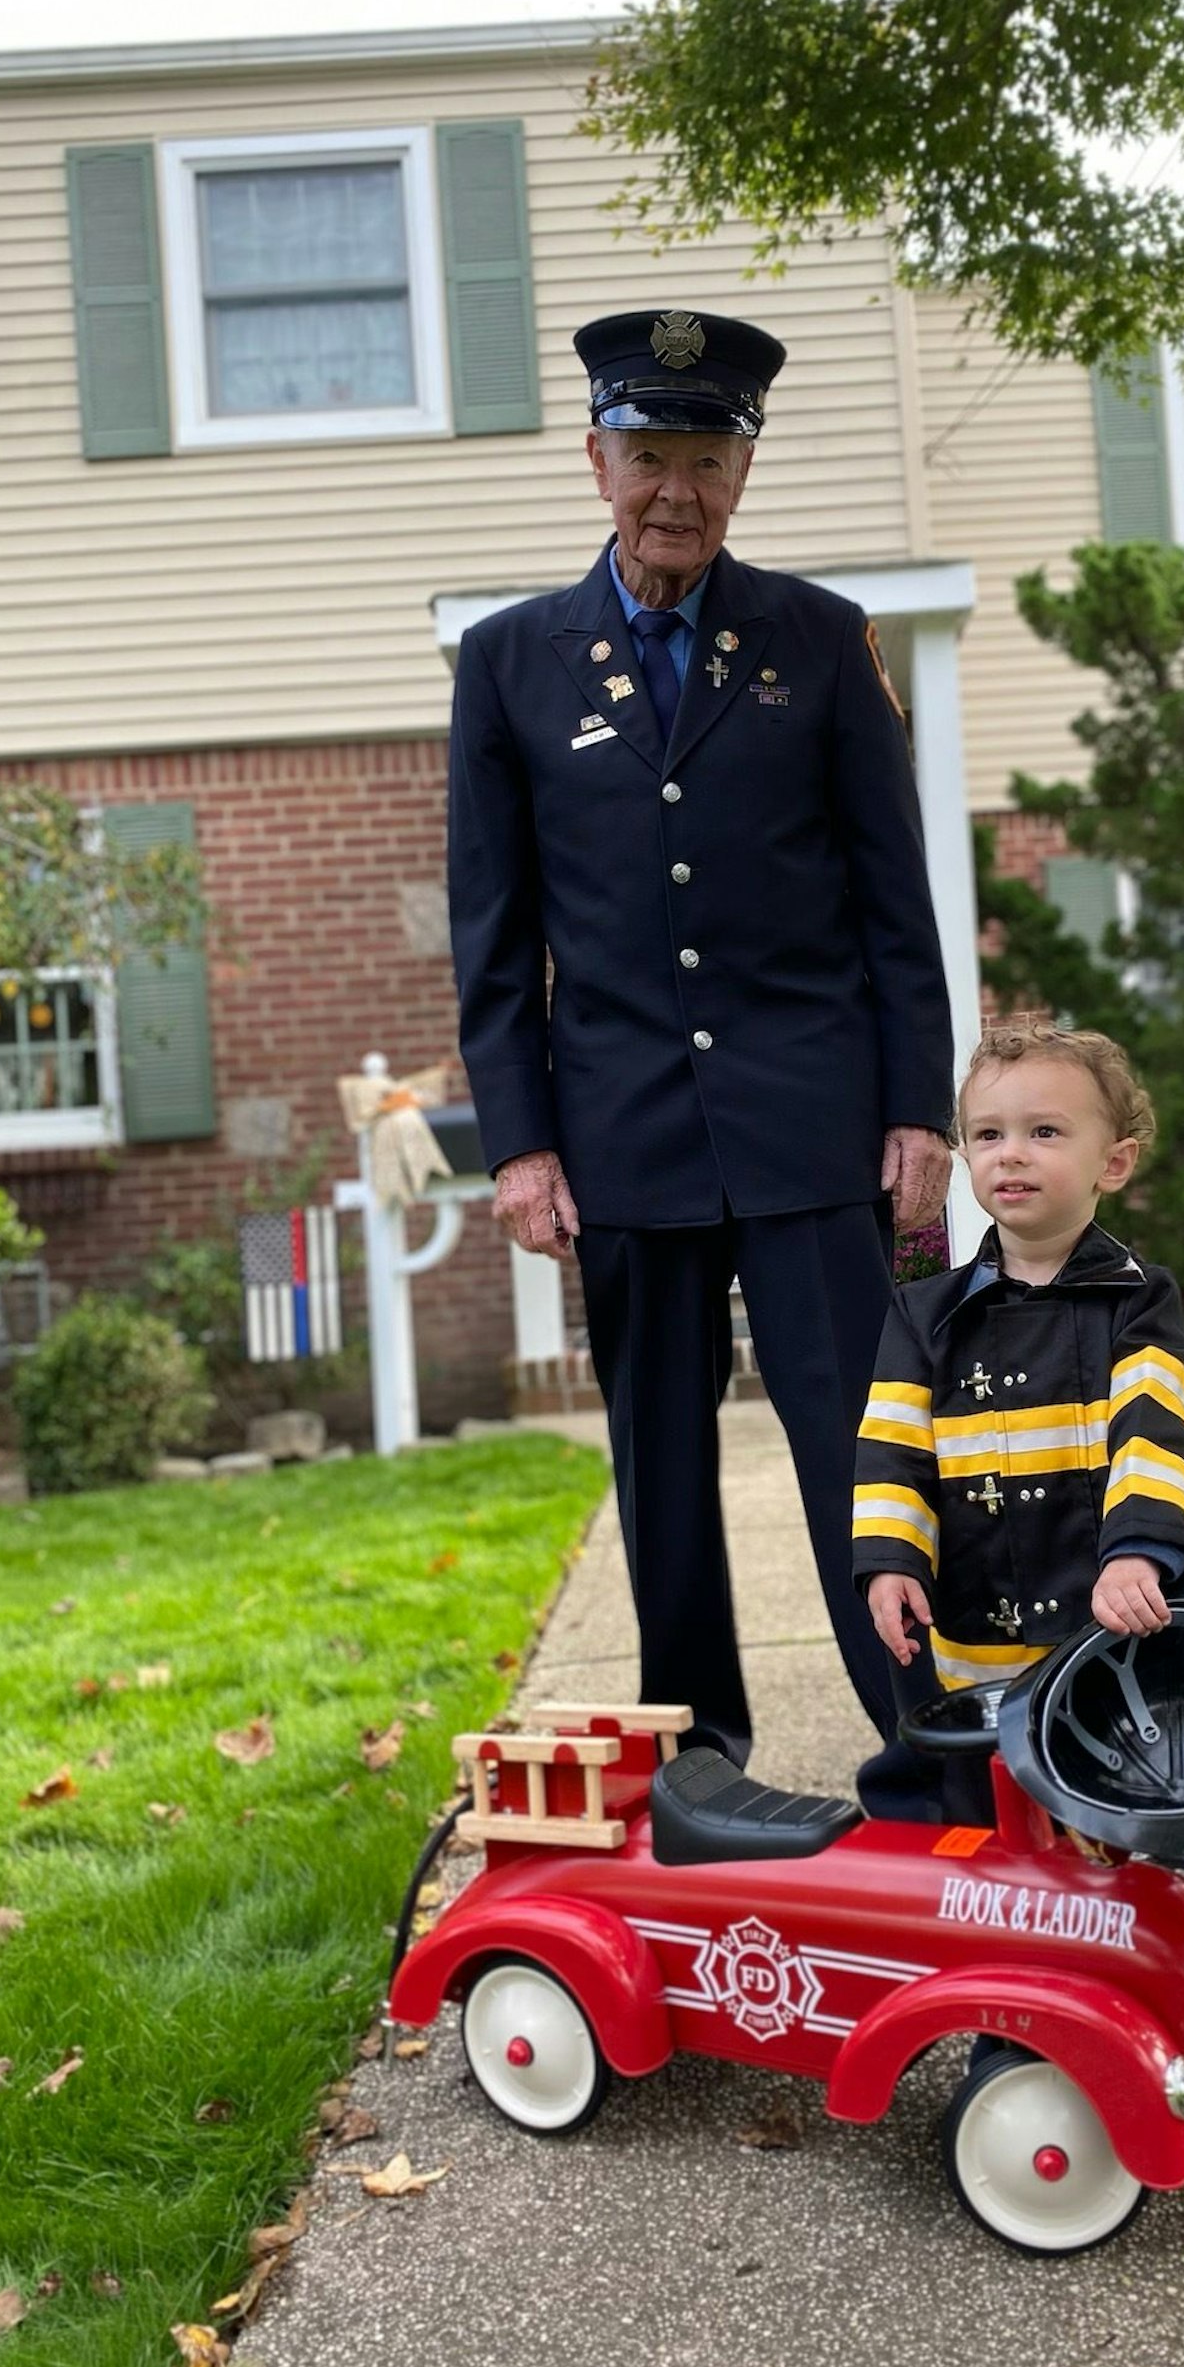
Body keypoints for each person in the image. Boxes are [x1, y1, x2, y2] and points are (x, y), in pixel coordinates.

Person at [448, 307, 957, 1817]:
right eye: (650, 454)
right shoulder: (509, 662)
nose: (678, 489)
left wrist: (915, 1106)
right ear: (597, 459)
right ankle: (697, 1760)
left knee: (861, 1447)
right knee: (658, 1461)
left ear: (743, 470)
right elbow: (495, 930)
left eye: (709, 459)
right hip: (623, 1131)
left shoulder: (819, 638)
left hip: (809, 1122)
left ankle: (925, 1748)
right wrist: (518, 1141)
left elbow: (894, 896)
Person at [853, 1018, 1184, 1805]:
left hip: (1103, 1613)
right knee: (984, 1791)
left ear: (1113, 1162)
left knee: (1111, 1780)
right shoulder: (922, 1314)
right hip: (973, 1622)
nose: (1010, 1152)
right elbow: (892, 1453)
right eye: (988, 1134)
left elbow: (1153, 1431)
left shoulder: (1139, 1300)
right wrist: (890, 1559)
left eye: (1044, 1131)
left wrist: (1138, 1551)